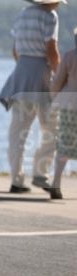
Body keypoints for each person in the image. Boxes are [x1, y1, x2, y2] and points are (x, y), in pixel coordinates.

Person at [0, 0, 65, 193]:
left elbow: (14, 49)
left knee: (18, 132)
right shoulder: (50, 17)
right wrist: (60, 76)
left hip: (20, 76)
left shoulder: (23, 14)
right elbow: (51, 50)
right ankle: (40, 173)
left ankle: (16, 181)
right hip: (42, 77)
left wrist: (24, 68)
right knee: (51, 128)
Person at [48, 27, 77, 200]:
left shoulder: (69, 56)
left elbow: (58, 81)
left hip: (70, 106)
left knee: (65, 143)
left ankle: (56, 183)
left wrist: (53, 97)